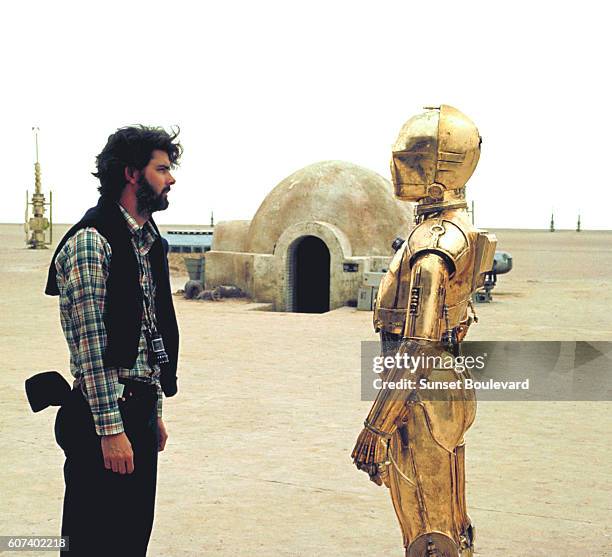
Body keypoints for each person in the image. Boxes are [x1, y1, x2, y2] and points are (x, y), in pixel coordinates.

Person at [351, 105, 497, 557]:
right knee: (449, 518)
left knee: (428, 534)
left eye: (411, 157)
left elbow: (418, 343)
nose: (397, 164)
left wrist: (377, 426)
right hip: (443, 388)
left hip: (420, 397)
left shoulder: (434, 244)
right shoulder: (458, 229)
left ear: (440, 168)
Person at [45, 126, 182, 556]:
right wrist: (110, 430)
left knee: (131, 538)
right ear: (131, 174)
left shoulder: (145, 243)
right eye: (161, 169)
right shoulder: (92, 242)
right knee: (91, 540)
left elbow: (148, 337)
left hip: (135, 412)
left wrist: (153, 411)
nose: (171, 179)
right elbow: (93, 346)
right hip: (103, 417)